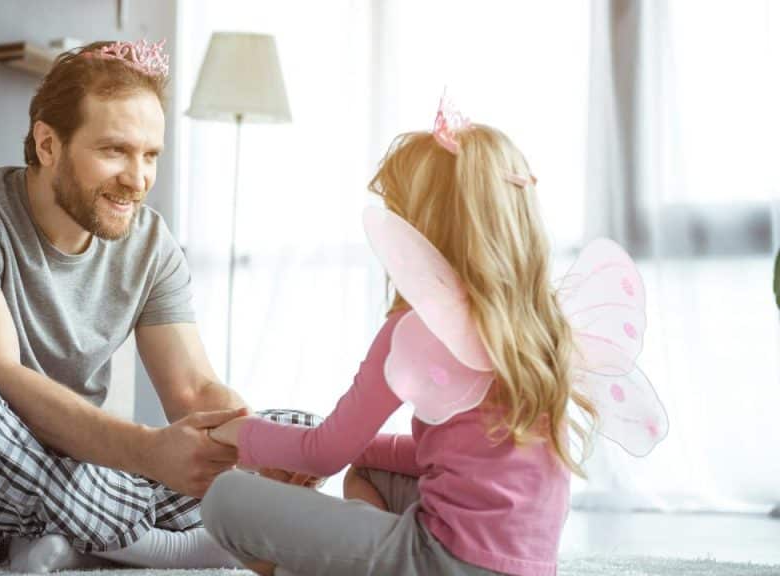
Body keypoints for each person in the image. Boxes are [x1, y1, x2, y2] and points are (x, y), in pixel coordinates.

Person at [0, 39, 317, 573]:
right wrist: (151, 452)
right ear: (47, 144)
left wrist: (247, 443)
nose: (137, 179)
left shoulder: (150, 242)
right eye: (114, 151)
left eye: (149, 155)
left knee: (294, 430)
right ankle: (160, 549)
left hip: (92, 475)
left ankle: (79, 542)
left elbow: (193, 392)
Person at [201, 97, 667, 576]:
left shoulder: (417, 327)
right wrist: (356, 448)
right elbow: (440, 458)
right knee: (371, 472)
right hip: (526, 568)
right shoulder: (541, 323)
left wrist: (234, 432)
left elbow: (325, 451)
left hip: (443, 561)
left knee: (225, 499)